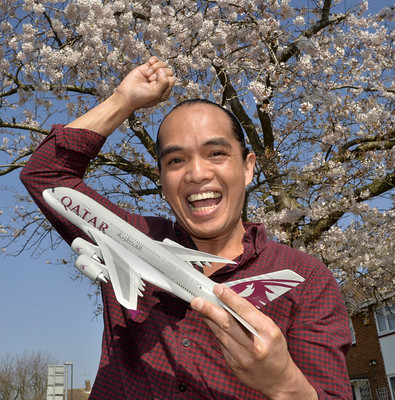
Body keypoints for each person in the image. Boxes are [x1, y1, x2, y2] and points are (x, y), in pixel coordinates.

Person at [21, 57, 352, 399]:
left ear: (248, 167)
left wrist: (284, 384)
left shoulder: (305, 277)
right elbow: (45, 175)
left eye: (216, 153)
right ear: (162, 178)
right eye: (176, 161)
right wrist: (124, 100)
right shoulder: (130, 237)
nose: (197, 174)